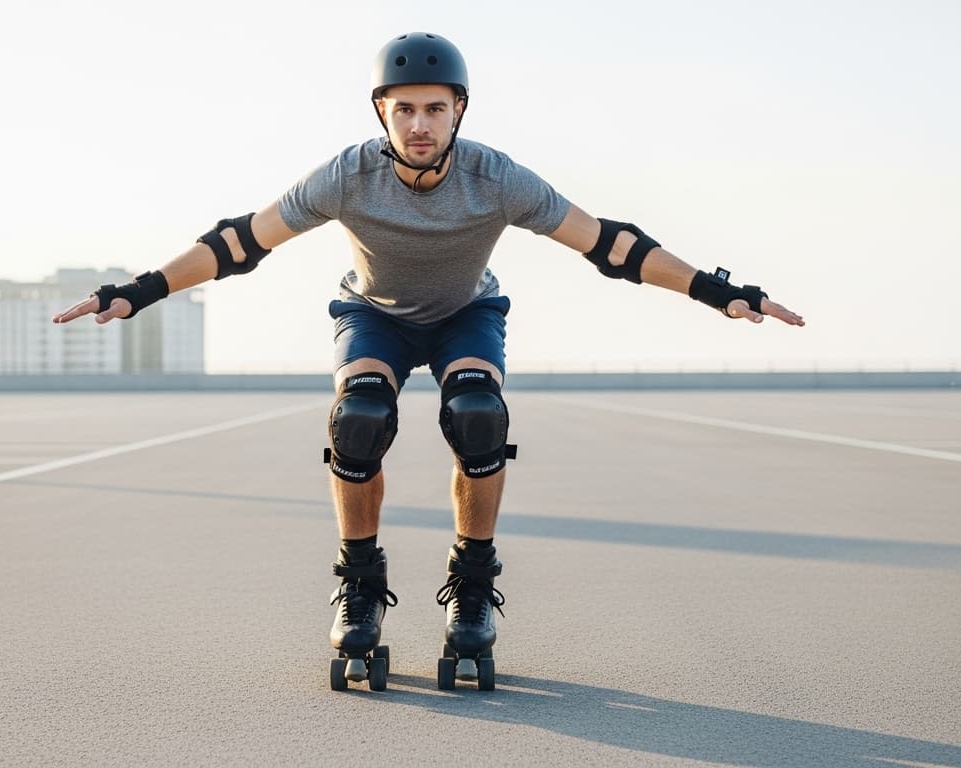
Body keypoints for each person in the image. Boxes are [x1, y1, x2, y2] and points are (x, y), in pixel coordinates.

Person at [53, 31, 804, 692]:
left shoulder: (497, 177)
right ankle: (360, 584)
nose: (419, 124)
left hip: (464, 315)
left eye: (435, 109)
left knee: (479, 417)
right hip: (372, 314)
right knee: (358, 422)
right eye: (404, 109)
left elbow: (610, 243)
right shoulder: (347, 174)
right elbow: (241, 241)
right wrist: (140, 292)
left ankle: (471, 584)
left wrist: (716, 291)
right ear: (381, 111)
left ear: (459, 112)